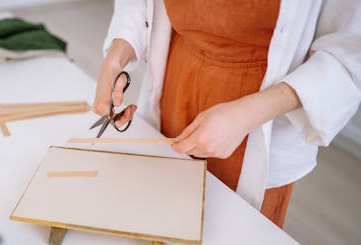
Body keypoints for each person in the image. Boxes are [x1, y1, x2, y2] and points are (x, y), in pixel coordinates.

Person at [92, 0, 361, 228]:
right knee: (157, 218)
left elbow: (348, 53)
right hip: (174, 85)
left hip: (260, 119)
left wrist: (248, 115)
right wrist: (117, 56)